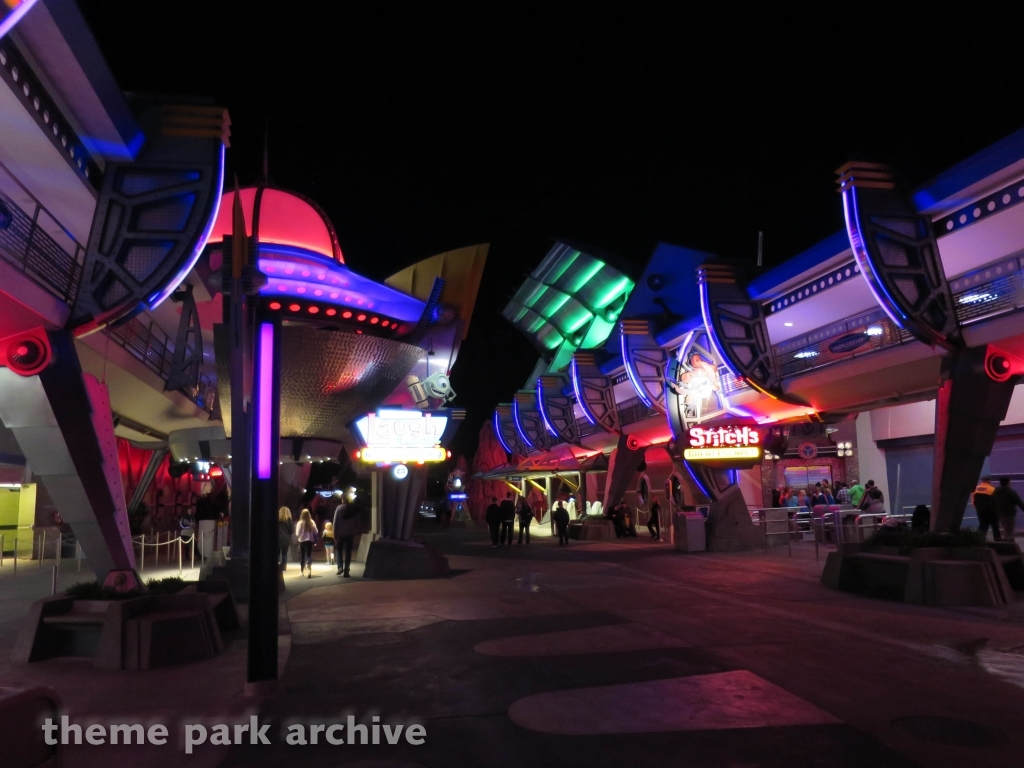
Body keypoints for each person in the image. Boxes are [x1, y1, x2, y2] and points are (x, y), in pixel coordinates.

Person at [333, 489, 361, 578]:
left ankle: (340, 566)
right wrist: (355, 529)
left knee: (339, 550)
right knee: (348, 552)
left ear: (343, 499)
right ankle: (346, 571)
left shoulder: (339, 508)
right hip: (350, 533)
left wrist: (334, 533)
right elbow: (358, 521)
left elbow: (335, 521)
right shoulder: (354, 508)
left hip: (340, 533)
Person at [992, 477, 1024, 542]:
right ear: (1008, 483)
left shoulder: (995, 492)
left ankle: (1009, 546)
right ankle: (1008, 547)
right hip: (1009, 515)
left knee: (1007, 531)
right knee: (1009, 533)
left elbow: (992, 502)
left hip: (1000, 515)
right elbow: (1019, 502)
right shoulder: (1010, 492)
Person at [295, 508, 318, 578]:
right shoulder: (312, 522)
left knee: (302, 556)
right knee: (309, 555)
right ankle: (309, 571)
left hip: (302, 541)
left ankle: (301, 571)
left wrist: (300, 535)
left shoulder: (300, 523)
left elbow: (297, 533)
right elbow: (316, 531)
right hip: (310, 541)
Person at [277, 507, 294, 572]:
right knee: (284, 554)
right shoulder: (289, 520)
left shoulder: (277, 520)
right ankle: (283, 568)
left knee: (277, 553)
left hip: (278, 538)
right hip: (286, 539)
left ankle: (277, 566)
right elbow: (292, 530)